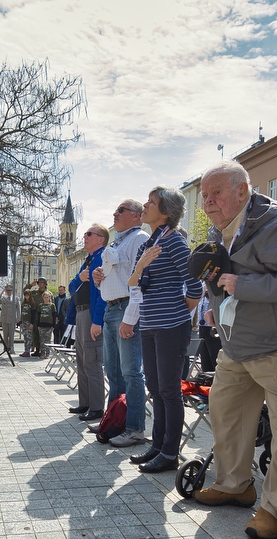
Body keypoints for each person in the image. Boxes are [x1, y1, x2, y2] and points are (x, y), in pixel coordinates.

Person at [188, 161, 277, 539]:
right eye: (204, 196)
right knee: (225, 412)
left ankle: (276, 508)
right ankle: (234, 485)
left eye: (215, 194)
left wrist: (244, 286)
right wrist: (218, 309)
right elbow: (220, 278)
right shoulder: (220, 229)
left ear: (242, 191)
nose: (208, 202)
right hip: (238, 345)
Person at [126, 188, 202, 472]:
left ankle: (170, 454)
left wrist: (178, 312)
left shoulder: (175, 242)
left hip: (171, 326)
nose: (145, 206)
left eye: (151, 202)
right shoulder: (149, 244)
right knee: (155, 388)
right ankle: (157, 446)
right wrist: (141, 266)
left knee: (169, 391)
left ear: (166, 212)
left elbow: (195, 286)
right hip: (149, 324)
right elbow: (132, 283)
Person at [92, 200, 149, 448]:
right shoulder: (117, 241)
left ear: (136, 216)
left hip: (126, 308)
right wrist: (98, 279)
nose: (114, 213)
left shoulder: (139, 238)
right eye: (115, 210)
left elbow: (140, 280)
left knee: (131, 372)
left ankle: (135, 428)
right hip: (111, 307)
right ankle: (113, 422)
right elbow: (114, 275)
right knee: (113, 372)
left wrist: (130, 318)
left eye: (121, 210)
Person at [68, 225, 108, 421]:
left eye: (89, 234)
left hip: (91, 315)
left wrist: (97, 320)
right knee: (82, 361)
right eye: (85, 233)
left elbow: (102, 293)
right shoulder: (88, 260)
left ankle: (97, 408)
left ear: (101, 239)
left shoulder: (102, 258)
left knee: (92, 362)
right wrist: (80, 277)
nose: (85, 236)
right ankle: (85, 403)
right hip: (80, 313)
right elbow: (71, 288)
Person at [0, 284, 20, 353]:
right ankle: (5, 348)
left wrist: (18, 318)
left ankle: (11, 348)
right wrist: (2, 292)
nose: (9, 292)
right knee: (5, 335)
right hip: (4, 319)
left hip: (12, 319)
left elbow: (18, 309)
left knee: (11, 335)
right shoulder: (3, 298)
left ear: (12, 291)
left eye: (10, 291)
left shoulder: (16, 298)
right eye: (7, 291)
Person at [36, 291, 56, 358]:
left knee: (48, 340)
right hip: (42, 325)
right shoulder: (40, 305)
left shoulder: (52, 305)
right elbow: (38, 316)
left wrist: (53, 325)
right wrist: (38, 325)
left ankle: (47, 353)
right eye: (45, 297)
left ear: (49, 298)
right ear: (43, 298)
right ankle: (42, 353)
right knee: (42, 340)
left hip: (49, 325)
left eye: (47, 297)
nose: (46, 298)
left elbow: (54, 315)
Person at [20, 291, 34, 356]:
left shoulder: (32, 304)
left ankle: (28, 351)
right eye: (25, 295)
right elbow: (21, 313)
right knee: (25, 336)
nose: (26, 297)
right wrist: (20, 322)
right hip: (24, 322)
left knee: (29, 337)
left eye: (27, 295)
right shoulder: (23, 303)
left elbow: (33, 314)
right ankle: (25, 350)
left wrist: (32, 323)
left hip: (29, 322)